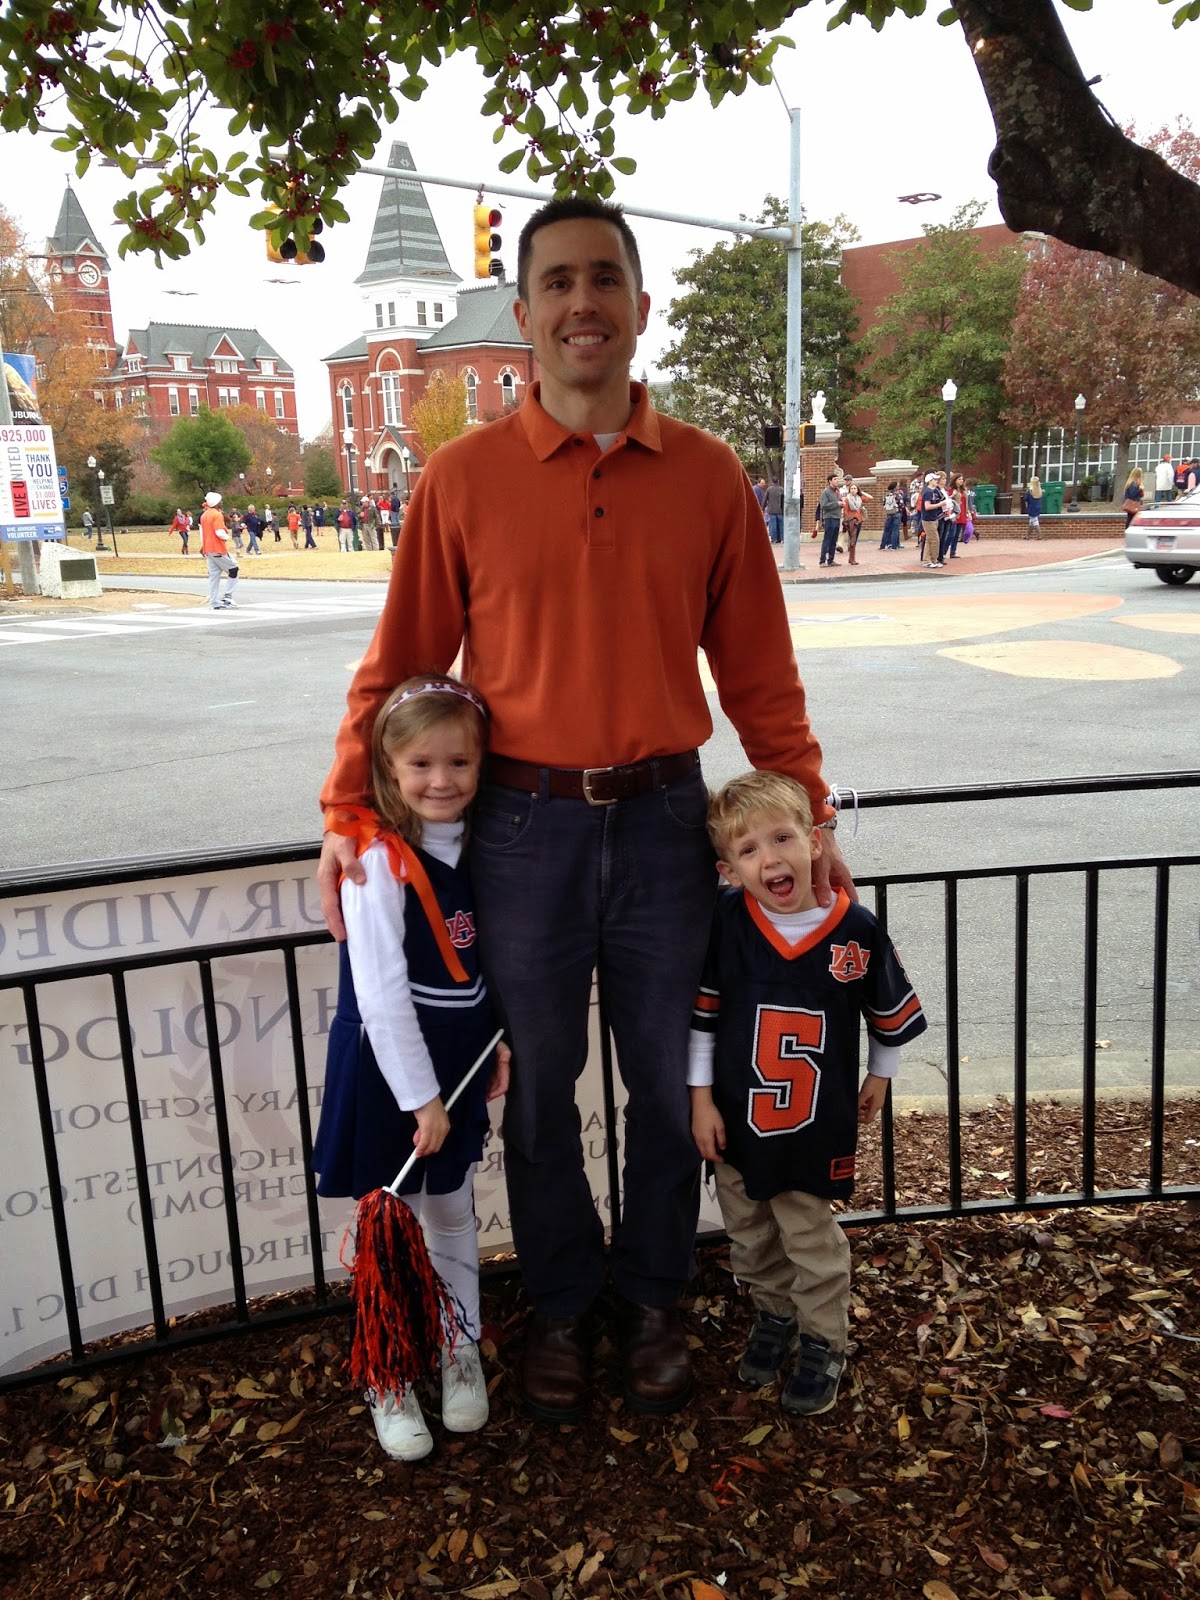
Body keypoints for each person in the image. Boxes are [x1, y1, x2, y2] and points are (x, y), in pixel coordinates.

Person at [317, 194, 853, 1426]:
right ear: (523, 312)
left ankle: (655, 1296)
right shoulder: (461, 479)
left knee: (668, 1082)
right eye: (556, 281)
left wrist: (811, 825)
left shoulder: (707, 476)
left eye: (603, 278)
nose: (581, 303)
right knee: (541, 1086)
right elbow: (401, 666)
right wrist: (352, 808)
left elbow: (762, 677)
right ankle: (561, 1304)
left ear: (639, 304)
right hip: (522, 831)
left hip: (666, 823)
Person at [313, 673, 511, 1461]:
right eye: (421, 764)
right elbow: (382, 992)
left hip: (460, 1054)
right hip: (391, 1067)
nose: (441, 780)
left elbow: (485, 961)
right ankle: (388, 1372)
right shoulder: (375, 859)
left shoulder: (485, 844)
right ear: (389, 769)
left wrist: (496, 1040)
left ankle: (459, 1346)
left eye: (459, 762)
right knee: (387, 1224)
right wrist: (423, 1099)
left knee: (453, 1209)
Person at [688, 771, 926, 1415]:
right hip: (736, 1117)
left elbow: (886, 1011)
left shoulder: (855, 929)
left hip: (812, 1124)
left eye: (782, 838)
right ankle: (775, 1314)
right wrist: (701, 1099)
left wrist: (881, 1073)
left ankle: (824, 1338)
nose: (770, 858)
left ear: (815, 842)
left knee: (810, 1237)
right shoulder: (727, 923)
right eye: (749, 849)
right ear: (728, 871)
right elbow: (703, 1020)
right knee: (749, 1232)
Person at [199, 491, 239, 610]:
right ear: (216, 503)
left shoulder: (204, 515)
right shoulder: (217, 515)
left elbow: (202, 533)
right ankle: (227, 597)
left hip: (208, 549)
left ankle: (213, 602)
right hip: (218, 549)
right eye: (220, 501)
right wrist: (226, 537)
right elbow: (219, 532)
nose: (222, 502)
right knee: (234, 569)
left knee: (214, 576)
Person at [839, 477, 870, 565]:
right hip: (851, 521)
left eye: (854, 488)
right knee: (852, 540)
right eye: (851, 488)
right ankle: (852, 559)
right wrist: (847, 521)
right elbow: (845, 511)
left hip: (859, 520)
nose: (853, 490)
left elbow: (870, 498)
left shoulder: (859, 498)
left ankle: (852, 557)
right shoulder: (847, 499)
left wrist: (862, 492)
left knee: (854, 540)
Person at [919, 473, 946, 567]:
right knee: (934, 540)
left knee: (929, 540)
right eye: (935, 479)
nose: (936, 481)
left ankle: (928, 560)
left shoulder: (934, 491)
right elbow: (927, 506)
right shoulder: (928, 492)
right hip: (928, 519)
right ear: (930, 481)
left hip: (933, 518)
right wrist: (940, 504)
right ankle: (932, 560)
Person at [817, 473, 842, 567]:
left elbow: (839, 502)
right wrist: (837, 503)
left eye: (837, 479)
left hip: (837, 517)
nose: (837, 481)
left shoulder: (837, 491)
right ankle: (822, 560)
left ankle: (831, 560)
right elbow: (824, 505)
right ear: (830, 481)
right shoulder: (826, 492)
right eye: (835, 479)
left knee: (834, 540)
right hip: (829, 518)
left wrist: (842, 504)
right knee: (827, 539)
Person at [879, 481, 901, 550]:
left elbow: (883, 503)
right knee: (895, 530)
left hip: (888, 513)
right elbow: (901, 504)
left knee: (886, 530)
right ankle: (894, 546)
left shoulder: (886, 495)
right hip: (896, 513)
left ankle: (882, 546)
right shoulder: (897, 495)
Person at [764, 479, 784, 545]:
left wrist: (762, 508)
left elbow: (765, 499)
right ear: (778, 481)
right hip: (780, 510)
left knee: (773, 525)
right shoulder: (781, 489)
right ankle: (782, 538)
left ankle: (774, 539)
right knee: (781, 525)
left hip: (771, 510)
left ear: (772, 482)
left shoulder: (769, 489)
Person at [1022, 475, 1043, 539]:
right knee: (1031, 522)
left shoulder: (1029, 491)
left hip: (1032, 508)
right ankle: (1027, 535)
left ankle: (1039, 535)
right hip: (1038, 507)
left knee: (1035, 522)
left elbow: (1025, 499)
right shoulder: (1039, 490)